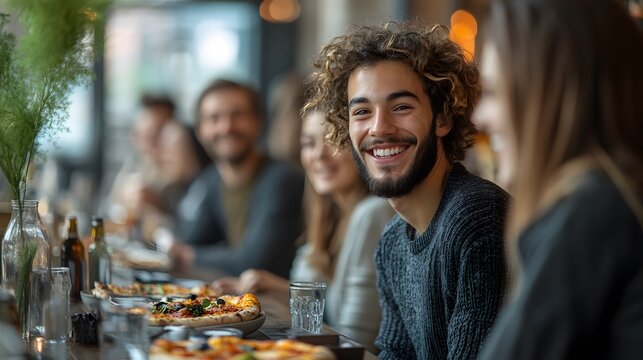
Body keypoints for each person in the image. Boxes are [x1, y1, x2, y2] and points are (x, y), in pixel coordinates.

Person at [304, 21, 510, 359]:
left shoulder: (476, 217)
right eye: (362, 112)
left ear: (443, 118)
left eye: (401, 107)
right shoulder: (393, 242)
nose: (379, 128)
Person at [473, 0, 643, 358]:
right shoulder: (616, 197)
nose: (478, 118)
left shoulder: (595, 213)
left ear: (548, 94)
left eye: (492, 93)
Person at [212, 109, 394, 351]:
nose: (319, 155)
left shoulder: (372, 212)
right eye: (309, 143)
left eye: (333, 140)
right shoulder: (328, 217)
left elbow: (354, 340)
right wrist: (275, 286)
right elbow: (327, 311)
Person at [166, 79, 304, 278]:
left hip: (281, 305)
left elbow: (254, 261)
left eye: (237, 115)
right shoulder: (213, 179)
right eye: (214, 118)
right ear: (200, 131)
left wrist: (189, 254)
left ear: (258, 121)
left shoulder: (282, 180)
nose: (226, 127)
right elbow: (191, 240)